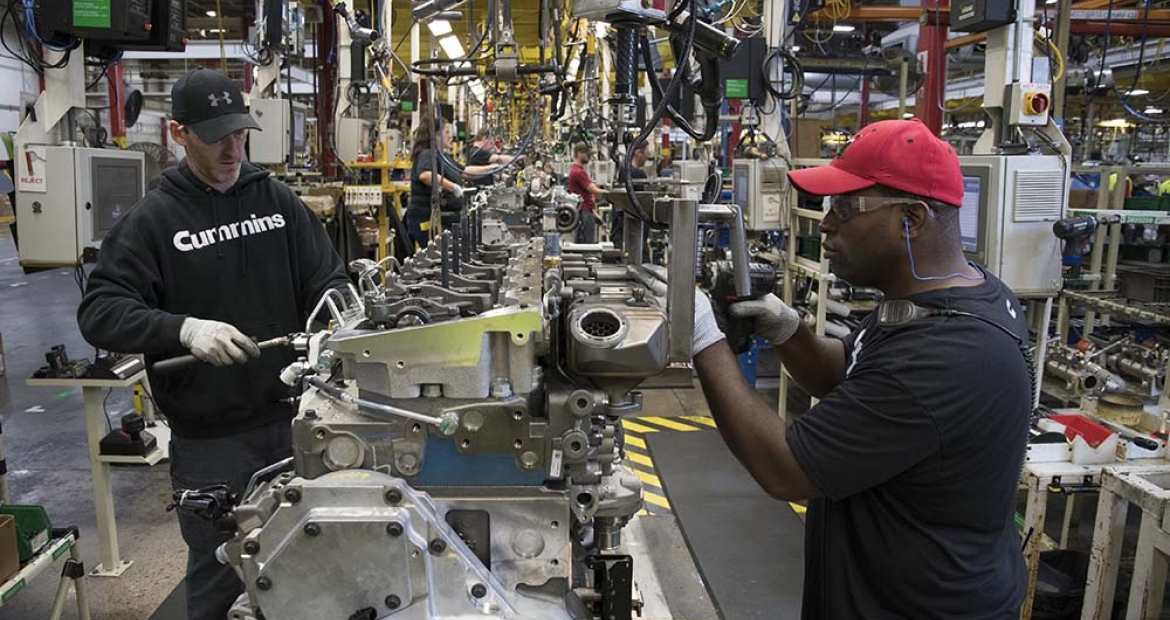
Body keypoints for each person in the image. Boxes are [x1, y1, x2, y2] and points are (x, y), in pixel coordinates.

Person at [688, 119, 1030, 618]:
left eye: (845, 209)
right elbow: (846, 370)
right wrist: (787, 328)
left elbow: (786, 470)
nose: (825, 224)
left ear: (911, 219)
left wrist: (703, 338)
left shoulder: (948, 353)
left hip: (923, 607)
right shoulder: (936, 293)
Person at [76, 67, 350, 620]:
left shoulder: (276, 200)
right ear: (179, 134)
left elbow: (329, 278)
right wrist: (183, 329)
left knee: (316, 563)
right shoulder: (154, 219)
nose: (232, 148)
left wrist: (338, 319)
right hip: (212, 442)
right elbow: (100, 310)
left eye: (239, 133)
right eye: (216, 135)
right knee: (223, 571)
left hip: (297, 419)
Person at [406, 121, 499, 250]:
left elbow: (465, 172)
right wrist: (454, 188)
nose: (451, 136)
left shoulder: (443, 156)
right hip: (428, 220)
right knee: (441, 256)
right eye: (447, 132)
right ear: (436, 135)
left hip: (446, 220)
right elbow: (426, 175)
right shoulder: (428, 153)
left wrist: (490, 169)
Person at [612, 141, 651, 249]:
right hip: (634, 233)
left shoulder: (623, 171)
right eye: (646, 152)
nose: (648, 156)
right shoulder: (638, 174)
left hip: (620, 231)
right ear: (638, 153)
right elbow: (644, 205)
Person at [567, 142, 605, 243]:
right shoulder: (578, 172)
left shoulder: (578, 170)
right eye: (588, 154)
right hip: (583, 213)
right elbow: (593, 190)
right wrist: (610, 193)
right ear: (579, 154)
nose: (590, 157)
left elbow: (585, 195)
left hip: (586, 211)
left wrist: (593, 212)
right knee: (586, 244)